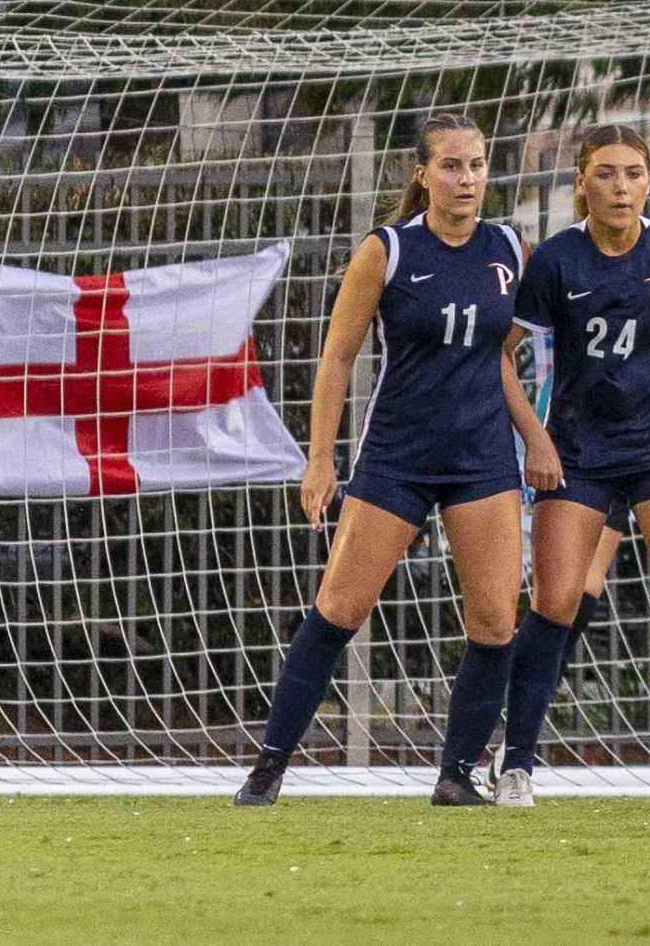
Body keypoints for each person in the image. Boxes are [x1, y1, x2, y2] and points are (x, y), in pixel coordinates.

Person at [235, 112, 562, 806]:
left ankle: (456, 773)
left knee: (497, 618)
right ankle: (268, 766)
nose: (467, 177)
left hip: (480, 456)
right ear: (424, 173)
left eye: (476, 164)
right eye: (451, 165)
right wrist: (320, 459)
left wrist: (534, 434)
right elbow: (338, 358)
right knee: (341, 604)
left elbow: (507, 356)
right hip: (398, 453)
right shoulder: (386, 250)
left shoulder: (510, 248)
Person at [492, 123, 650, 807]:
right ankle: (515, 764)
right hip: (577, 451)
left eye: (633, 172)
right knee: (556, 602)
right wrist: (536, 441)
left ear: (649, 181)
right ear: (582, 182)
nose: (621, 185)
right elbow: (500, 355)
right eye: (605, 172)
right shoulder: (555, 261)